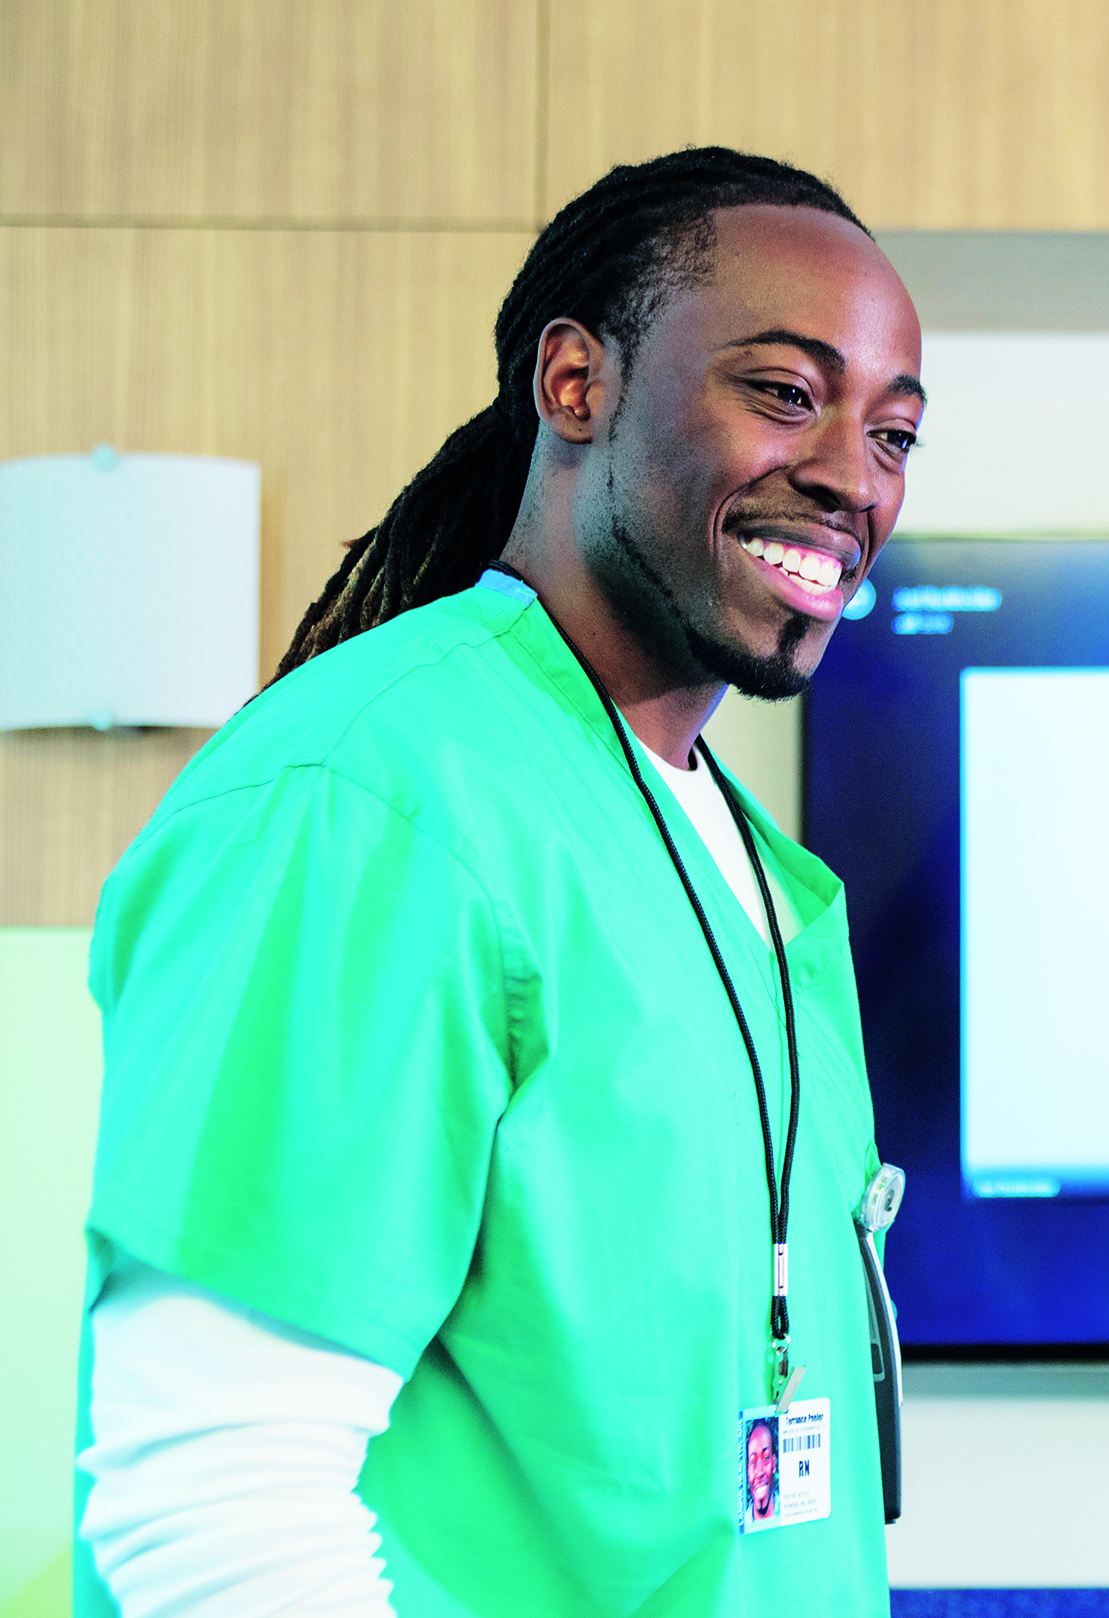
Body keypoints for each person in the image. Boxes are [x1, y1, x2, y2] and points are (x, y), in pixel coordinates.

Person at [73, 149, 922, 1616]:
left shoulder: (744, 873)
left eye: (896, 433)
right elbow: (214, 1499)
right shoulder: (370, 799)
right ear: (576, 384)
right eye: (785, 391)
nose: (854, 476)